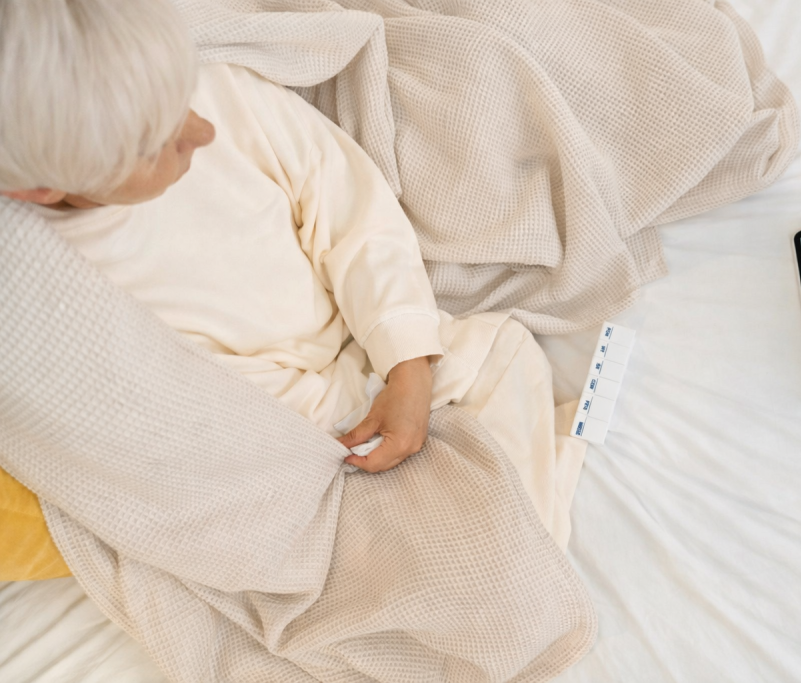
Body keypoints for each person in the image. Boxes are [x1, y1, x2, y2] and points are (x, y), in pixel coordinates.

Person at [0, 0, 585, 580]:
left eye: (182, 101)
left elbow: (348, 205)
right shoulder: (60, 294)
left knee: (506, 365)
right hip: (310, 438)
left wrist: (407, 365)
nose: (202, 132)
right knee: (441, 562)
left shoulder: (211, 88)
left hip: (386, 350)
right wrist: (353, 425)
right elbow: (198, 412)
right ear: (41, 190)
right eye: (154, 147)